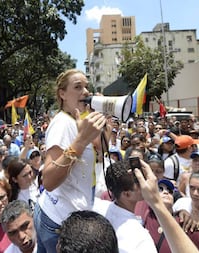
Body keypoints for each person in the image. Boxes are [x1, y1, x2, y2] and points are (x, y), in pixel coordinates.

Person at [33, 69, 106, 253]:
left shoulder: (77, 120)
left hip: (59, 215)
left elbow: (101, 147)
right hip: (58, 223)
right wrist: (80, 142)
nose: (86, 92)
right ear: (62, 94)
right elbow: (48, 180)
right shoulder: (62, 124)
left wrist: (98, 119)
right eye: (78, 87)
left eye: (86, 87)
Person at [92, 160, 157, 252]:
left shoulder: (96, 208)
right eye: (138, 182)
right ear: (126, 194)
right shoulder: (139, 236)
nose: (145, 183)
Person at [135, 178, 199, 252]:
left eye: (170, 191)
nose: (166, 192)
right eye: (160, 189)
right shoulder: (143, 209)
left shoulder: (185, 223)